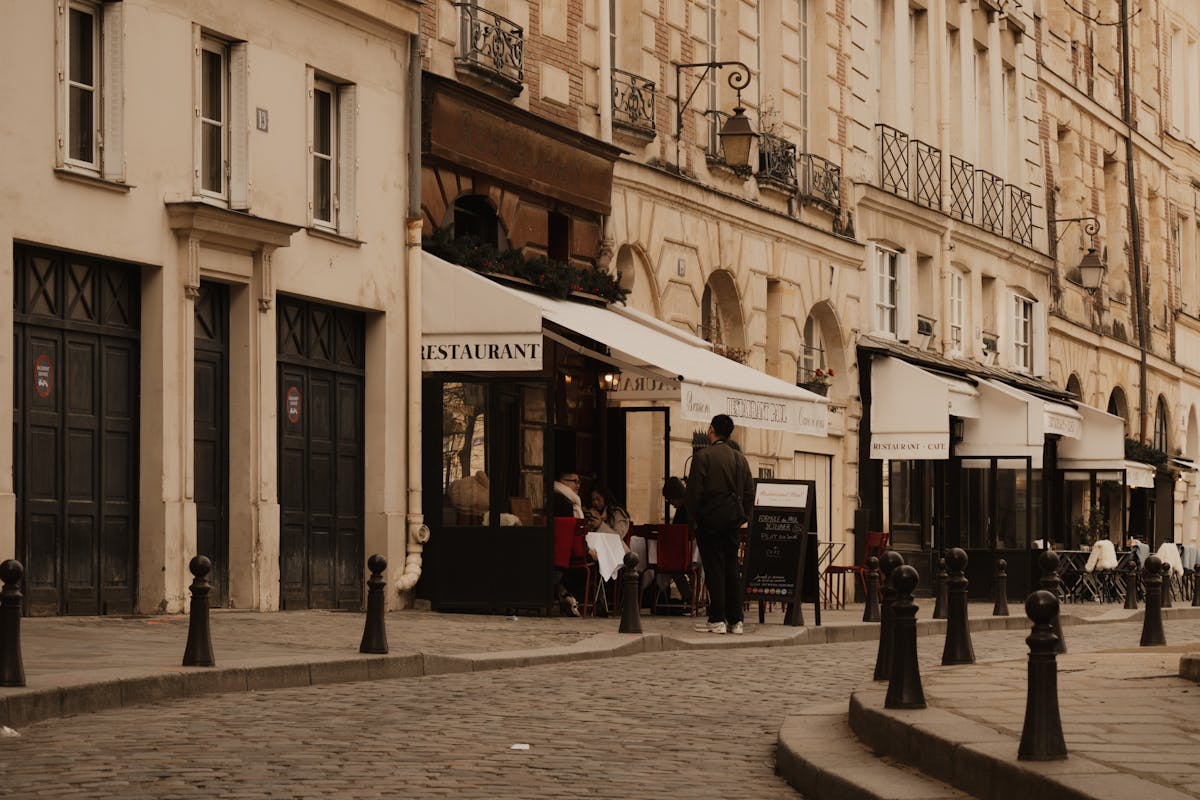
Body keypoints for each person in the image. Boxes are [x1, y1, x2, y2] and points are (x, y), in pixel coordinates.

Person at [685, 414, 754, 635]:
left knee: (714, 569)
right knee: (732, 569)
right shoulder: (740, 459)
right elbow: (750, 491)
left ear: (711, 430)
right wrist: (743, 515)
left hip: (709, 520)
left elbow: (694, 492)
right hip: (732, 520)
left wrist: (692, 521)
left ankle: (717, 619)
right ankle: (736, 620)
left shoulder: (703, 456)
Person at [551, 470, 584, 616]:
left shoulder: (569, 500)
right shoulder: (564, 502)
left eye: (579, 482)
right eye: (574, 481)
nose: (578, 485)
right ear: (563, 482)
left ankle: (567, 596)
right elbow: (569, 531)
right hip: (564, 550)